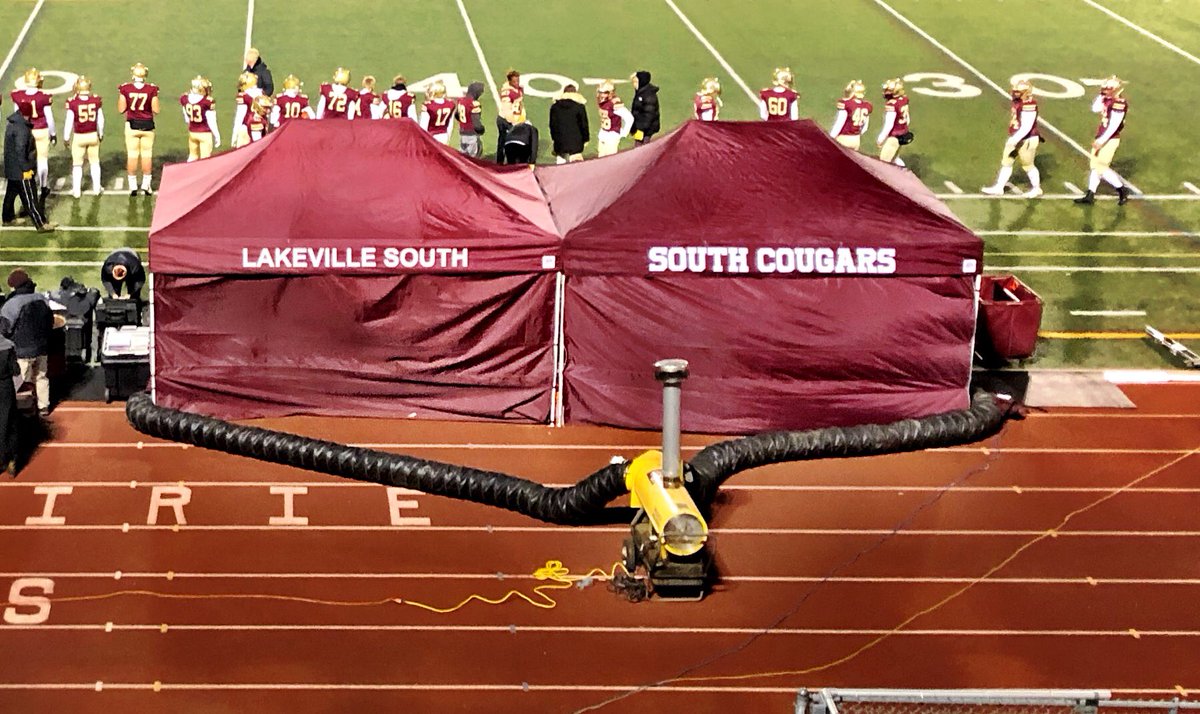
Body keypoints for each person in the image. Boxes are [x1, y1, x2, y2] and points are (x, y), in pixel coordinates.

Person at [0, 270, 53, 417]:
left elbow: (4, 329)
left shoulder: (11, 304)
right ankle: (43, 407)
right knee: (41, 377)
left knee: (22, 382)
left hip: (21, 351)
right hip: (42, 348)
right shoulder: (41, 298)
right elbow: (50, 321)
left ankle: (23, 411)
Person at [1075, 75, 1131, 206]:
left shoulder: (1119, 103)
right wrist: (1101, 95)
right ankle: (1090, 194)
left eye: (1108, 88)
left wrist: (1102, 140)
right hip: (1102, 136)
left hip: (1110, 138)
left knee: (1101, 167)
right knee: (1094, 166)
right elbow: (1095, 108)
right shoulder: (1108, 99)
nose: (1105, 90)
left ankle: (1121, 189)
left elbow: (1114, 125)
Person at [982, 79, 1042, 198]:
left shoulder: (1029, 104)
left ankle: (1036, 188)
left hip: (1027, 139)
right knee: (1007, 162)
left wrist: (1014, 140)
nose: (1015, 93)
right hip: (1016, 137)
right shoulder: (1019, 101)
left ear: (1026, 93)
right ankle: (999, 187)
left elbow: (1027, 127)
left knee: (1028, 165)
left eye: (1018, 92)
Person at [3, 108, 54, 232]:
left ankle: (7, 218)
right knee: (30, 197)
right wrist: (26, 168)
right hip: (21, 170)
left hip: (12, 168)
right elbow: (21, 150)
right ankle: (40, 223)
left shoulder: (12, 123)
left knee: (10, 195)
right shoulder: (22, 129)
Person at [8, 68, 55, 199]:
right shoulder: (44, 97)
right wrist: (53, 133)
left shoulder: (18, 96)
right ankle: (43, 186)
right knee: (42, 159)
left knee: (26, 159)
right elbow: (49, 118)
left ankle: (27, 184)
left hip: (26, 131)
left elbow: (17, 116)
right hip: (41, 130)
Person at [117, 63, 160, 196]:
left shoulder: (126, 88)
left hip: (132, 125)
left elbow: (121, 109)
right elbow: (156, 110)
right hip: (148, 125)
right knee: (147, 154)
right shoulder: (151, 89)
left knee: (132, 155)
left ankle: (132, 186)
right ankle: (146, 185)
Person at [64, 76, 105, 197]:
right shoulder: (95, 101)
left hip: (79, 136)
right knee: (95, 162)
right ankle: (97, 188)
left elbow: (69, 122)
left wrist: (66, 137)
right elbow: (101, 120)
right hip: (92, 135)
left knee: (77, 164)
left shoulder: (73, 102)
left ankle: (76, 191)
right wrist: (100, 133)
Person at [181, 76, 220, 161]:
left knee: (192, 156)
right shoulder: (207, 101)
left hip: (192, 132)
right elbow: (211, 121)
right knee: (205, 159)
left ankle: (187, 169)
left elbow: (186, 117)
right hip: (204, 133)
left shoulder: (185, 98)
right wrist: (216, 135)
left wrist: (189, 122)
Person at [876, 78, 911, 167]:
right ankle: (902, 171)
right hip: (903, 133)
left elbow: (889, 125)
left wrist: (881, 138)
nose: (886, 92)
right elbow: (908, 119)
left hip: (894, 136)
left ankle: (903, 173)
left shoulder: (892, 104)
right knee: (895, 158)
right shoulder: (903, 99)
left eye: (888, 90)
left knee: (883, 163)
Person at [548, 83, 588, 163]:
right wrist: (586, 139)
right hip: (576, 145)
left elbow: (553, 126)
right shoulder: (579, 107)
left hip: (560, 145)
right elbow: (584, 126)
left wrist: (555, 140)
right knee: (576, 168)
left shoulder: (555, 107)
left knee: (560, 166)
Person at [829, 80, 871, 151]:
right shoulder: (866, 106)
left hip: (844, 138)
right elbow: (865, 127)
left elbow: (839, 124)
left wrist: (831, 138)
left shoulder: (847, 105)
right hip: (856, 139)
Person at [595, 80, 632, 157]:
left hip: (612, 137)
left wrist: (624, 133)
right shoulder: (603, 103)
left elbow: (629, 118)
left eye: (604, 93)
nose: (601, 95)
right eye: (600, 92)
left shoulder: (615, 104)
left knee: (609, 160)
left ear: (610, 93)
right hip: (603, 134)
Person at [496, 69, 525, 163]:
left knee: (504, 140)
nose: (517, 83)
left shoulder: (517, 89)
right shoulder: (508, 93)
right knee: (509, 141)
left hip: (509, 118)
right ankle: (506, 161)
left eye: (518, 81)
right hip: (505, 119)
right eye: (514, 81)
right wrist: (513, 122)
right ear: (510, 82)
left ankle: (502, 161)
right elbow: (507, 109)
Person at [0, 331, 17, 476]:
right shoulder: (8, 345)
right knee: (8, 421)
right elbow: (15, 370)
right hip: (5, 386)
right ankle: (10, 459)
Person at [231, 72, 263, 148]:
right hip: (260, 125)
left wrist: (234, 135)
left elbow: (240, 116)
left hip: (246, 125)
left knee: (243, 152)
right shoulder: (261, 93)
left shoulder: (244, 96)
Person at [420, 81, 456, 145]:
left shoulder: (428, 106)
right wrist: (448, 137)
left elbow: (423, 126)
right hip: (444, 135)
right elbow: (450, 124)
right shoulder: (450, 104)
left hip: (431, 136)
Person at [629, 70, 659, 145]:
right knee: (638, 147)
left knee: (643, 148)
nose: (633, 84)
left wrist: (639, 128)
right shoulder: (640, 92)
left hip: (645, 130)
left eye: (635, 82)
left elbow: (649, 115)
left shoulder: (648, 96)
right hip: (639, 128)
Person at [457, 82, 486, 158]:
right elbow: (476, 123)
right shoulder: (474, 104)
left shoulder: (461, 101)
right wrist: (481, 129)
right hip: (471, 134)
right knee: (472, 158)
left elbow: (457, 115)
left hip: (462, 132)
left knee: (462, 156)